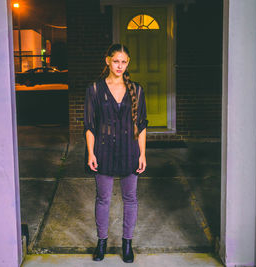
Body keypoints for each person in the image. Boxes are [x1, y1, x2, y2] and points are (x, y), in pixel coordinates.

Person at [83, 43, 148, 263]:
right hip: (104, 151)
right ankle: (101, 242)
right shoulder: (94, 89)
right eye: (116, 61)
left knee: (130, 199)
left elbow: (141, 125)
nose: (119, 65)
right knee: (103, 199)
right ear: (107, 61)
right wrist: (91, 153)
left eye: (124, 62)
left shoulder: (137, 90)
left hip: (129, 150)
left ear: (128, 63)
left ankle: (127, 244)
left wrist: (142, 154)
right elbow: (90, 125)